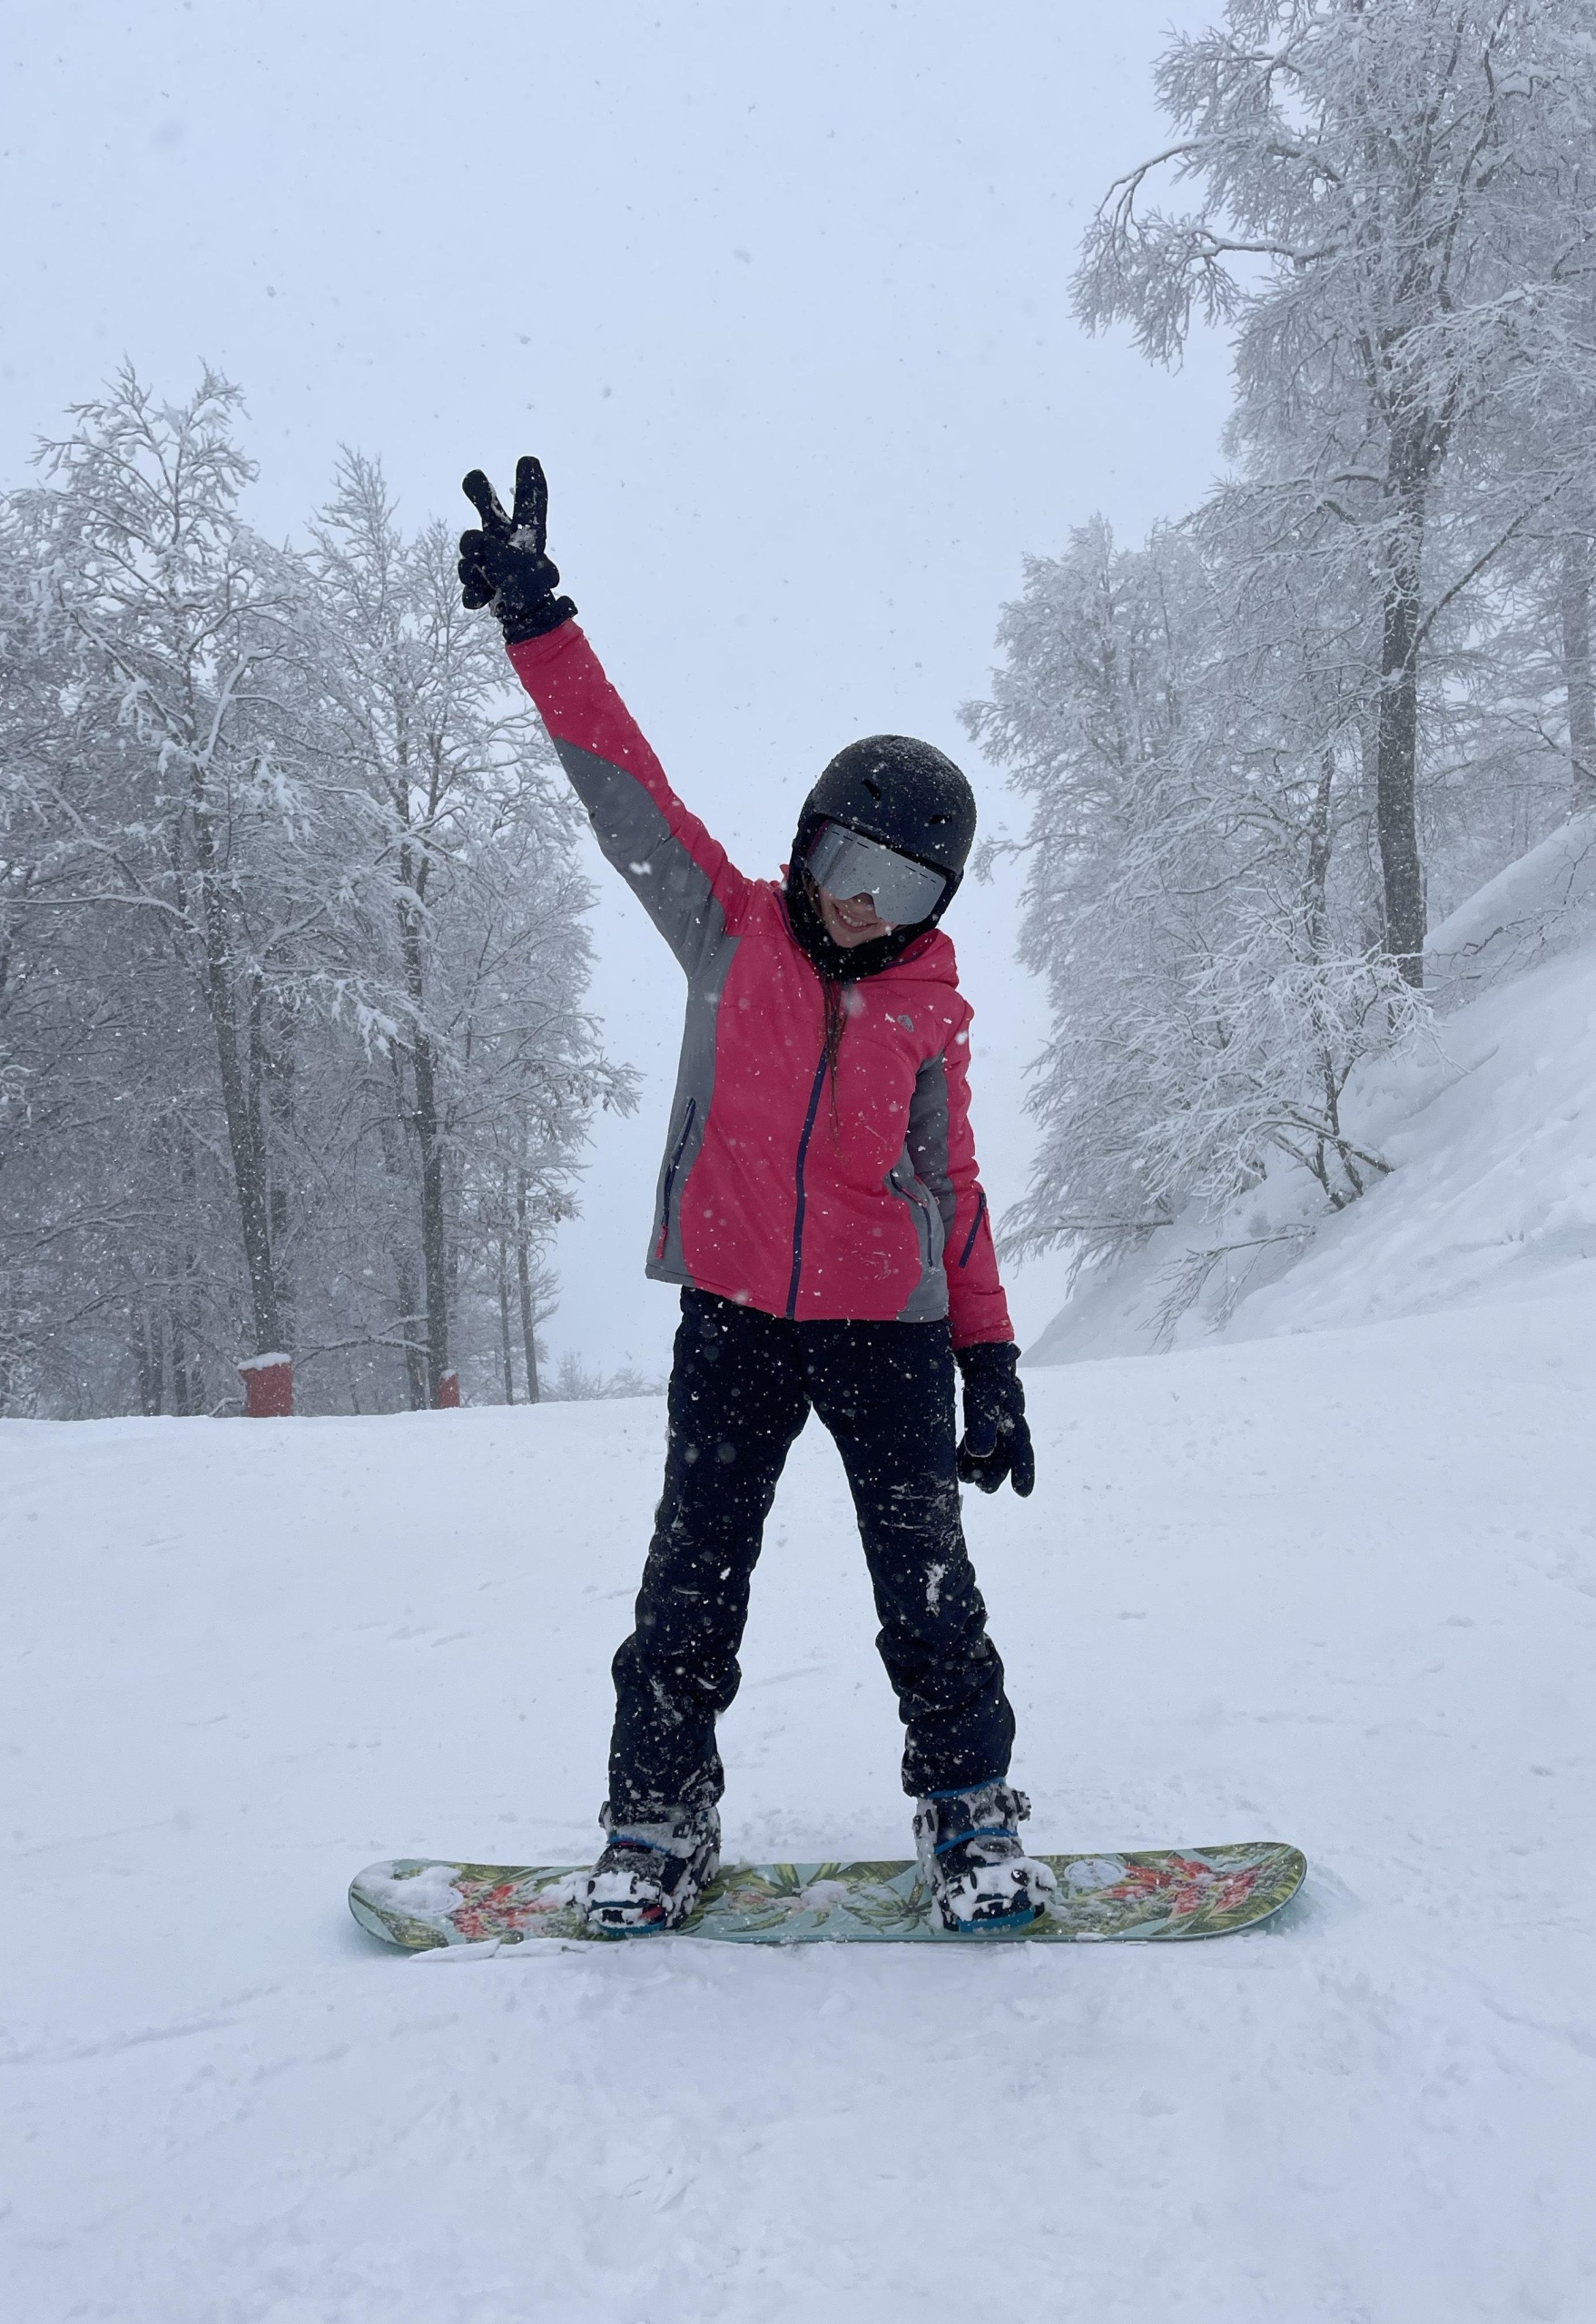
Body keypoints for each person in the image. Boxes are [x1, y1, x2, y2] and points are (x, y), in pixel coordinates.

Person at [458, 458, 1052, 1936]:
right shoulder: (729, 933)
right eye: (850, 864)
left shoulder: (930, 1009)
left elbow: (954, 1188)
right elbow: (620, 780)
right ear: (806, 841)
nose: (865, 904)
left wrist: (990, 1358)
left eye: (905, 890)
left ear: (937, 907)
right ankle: (658, 1816)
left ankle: (968, 1809)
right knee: (689, 1587)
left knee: (927, 1589)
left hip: (891, 1334)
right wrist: (541, 628)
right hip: (733, 1318)